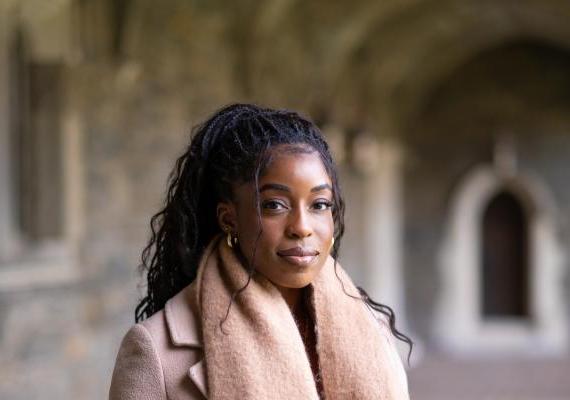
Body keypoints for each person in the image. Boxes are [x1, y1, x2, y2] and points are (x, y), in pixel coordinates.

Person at [109, 103, 413, 400]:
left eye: (319, 204)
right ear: (230, 219)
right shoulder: (156, 351)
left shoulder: (372, 327)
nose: (302, 227)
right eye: (274, 205)